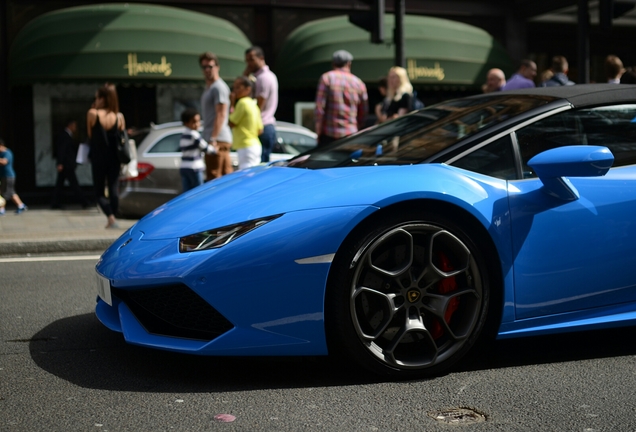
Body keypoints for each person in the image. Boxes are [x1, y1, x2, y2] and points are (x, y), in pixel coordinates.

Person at [87, 84, 125, 229]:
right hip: (115, 159)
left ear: (102, 99)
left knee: (99, 192)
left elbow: (91, 135)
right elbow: (122, 138)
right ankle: (112, 218)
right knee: (113, 189)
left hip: (98, 158)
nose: (95, 100)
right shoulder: (119, 116)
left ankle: (110, 217)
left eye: (97, 97)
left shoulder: (93, 114)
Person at [314, 50, 368, 146]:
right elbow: (363, 111)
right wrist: (358, 126)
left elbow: (319, 107)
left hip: (329, 134)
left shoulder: (327, 78)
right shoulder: (358, 83)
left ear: (333, 63)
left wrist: (318, 131)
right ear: (349, 64)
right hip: (350, 134)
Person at [199, 52, 233, 180]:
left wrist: (213, 138)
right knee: (225, 179)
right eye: (204, 67)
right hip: (215, 138)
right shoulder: (210, 87)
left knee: (214, 179)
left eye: (210, 66)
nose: (207, 70)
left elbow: (221, 114)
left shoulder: (218, 87)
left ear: (217, 67)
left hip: (217, 139)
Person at [244, 46, 278, 163]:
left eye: (251, 59)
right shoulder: (259, 77)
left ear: (261, 58)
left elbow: (258, 106)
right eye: (247, 60)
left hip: (262, 126)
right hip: (263, 126)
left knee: (260, 167)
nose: (249, 64)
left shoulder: (264, 78)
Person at [51, 119, 89, 209]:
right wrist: (60, 163)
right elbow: (61, 150)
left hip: (67, 165)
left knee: (60, 185)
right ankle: (84, 201)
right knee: (73, 184)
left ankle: (55, 203)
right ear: (70, 125)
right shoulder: (64, 135)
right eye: (74, 126)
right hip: (66, 165)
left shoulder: (68, 136)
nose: (75, 128)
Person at [179, 108, 217, 193]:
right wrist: (214, 149)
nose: (197, 124)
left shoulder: (183, 135)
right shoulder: (194, 135)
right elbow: (206, 148)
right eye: (194, 122)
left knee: (187, 194)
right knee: (199, 193)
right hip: (195, 168)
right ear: (186, 123)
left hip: (184, 167)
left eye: (198, 121)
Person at [229, 76, 263, 170]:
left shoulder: (242, 103)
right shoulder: (254, 105)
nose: (235, 90)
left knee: (246, 176)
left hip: (245, 146)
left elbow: (231, 122)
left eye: (238, 87)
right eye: (234, 87)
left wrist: (232, 104)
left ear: (248, 89)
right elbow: (260, 130)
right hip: (255, 145)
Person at [0, 139, 27, 215]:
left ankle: (1, 210)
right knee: (10, 192)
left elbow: (4, 162)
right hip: (4, 176)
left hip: (8, 176)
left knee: (4, 193)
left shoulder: (7, 153)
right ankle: (21, 205)